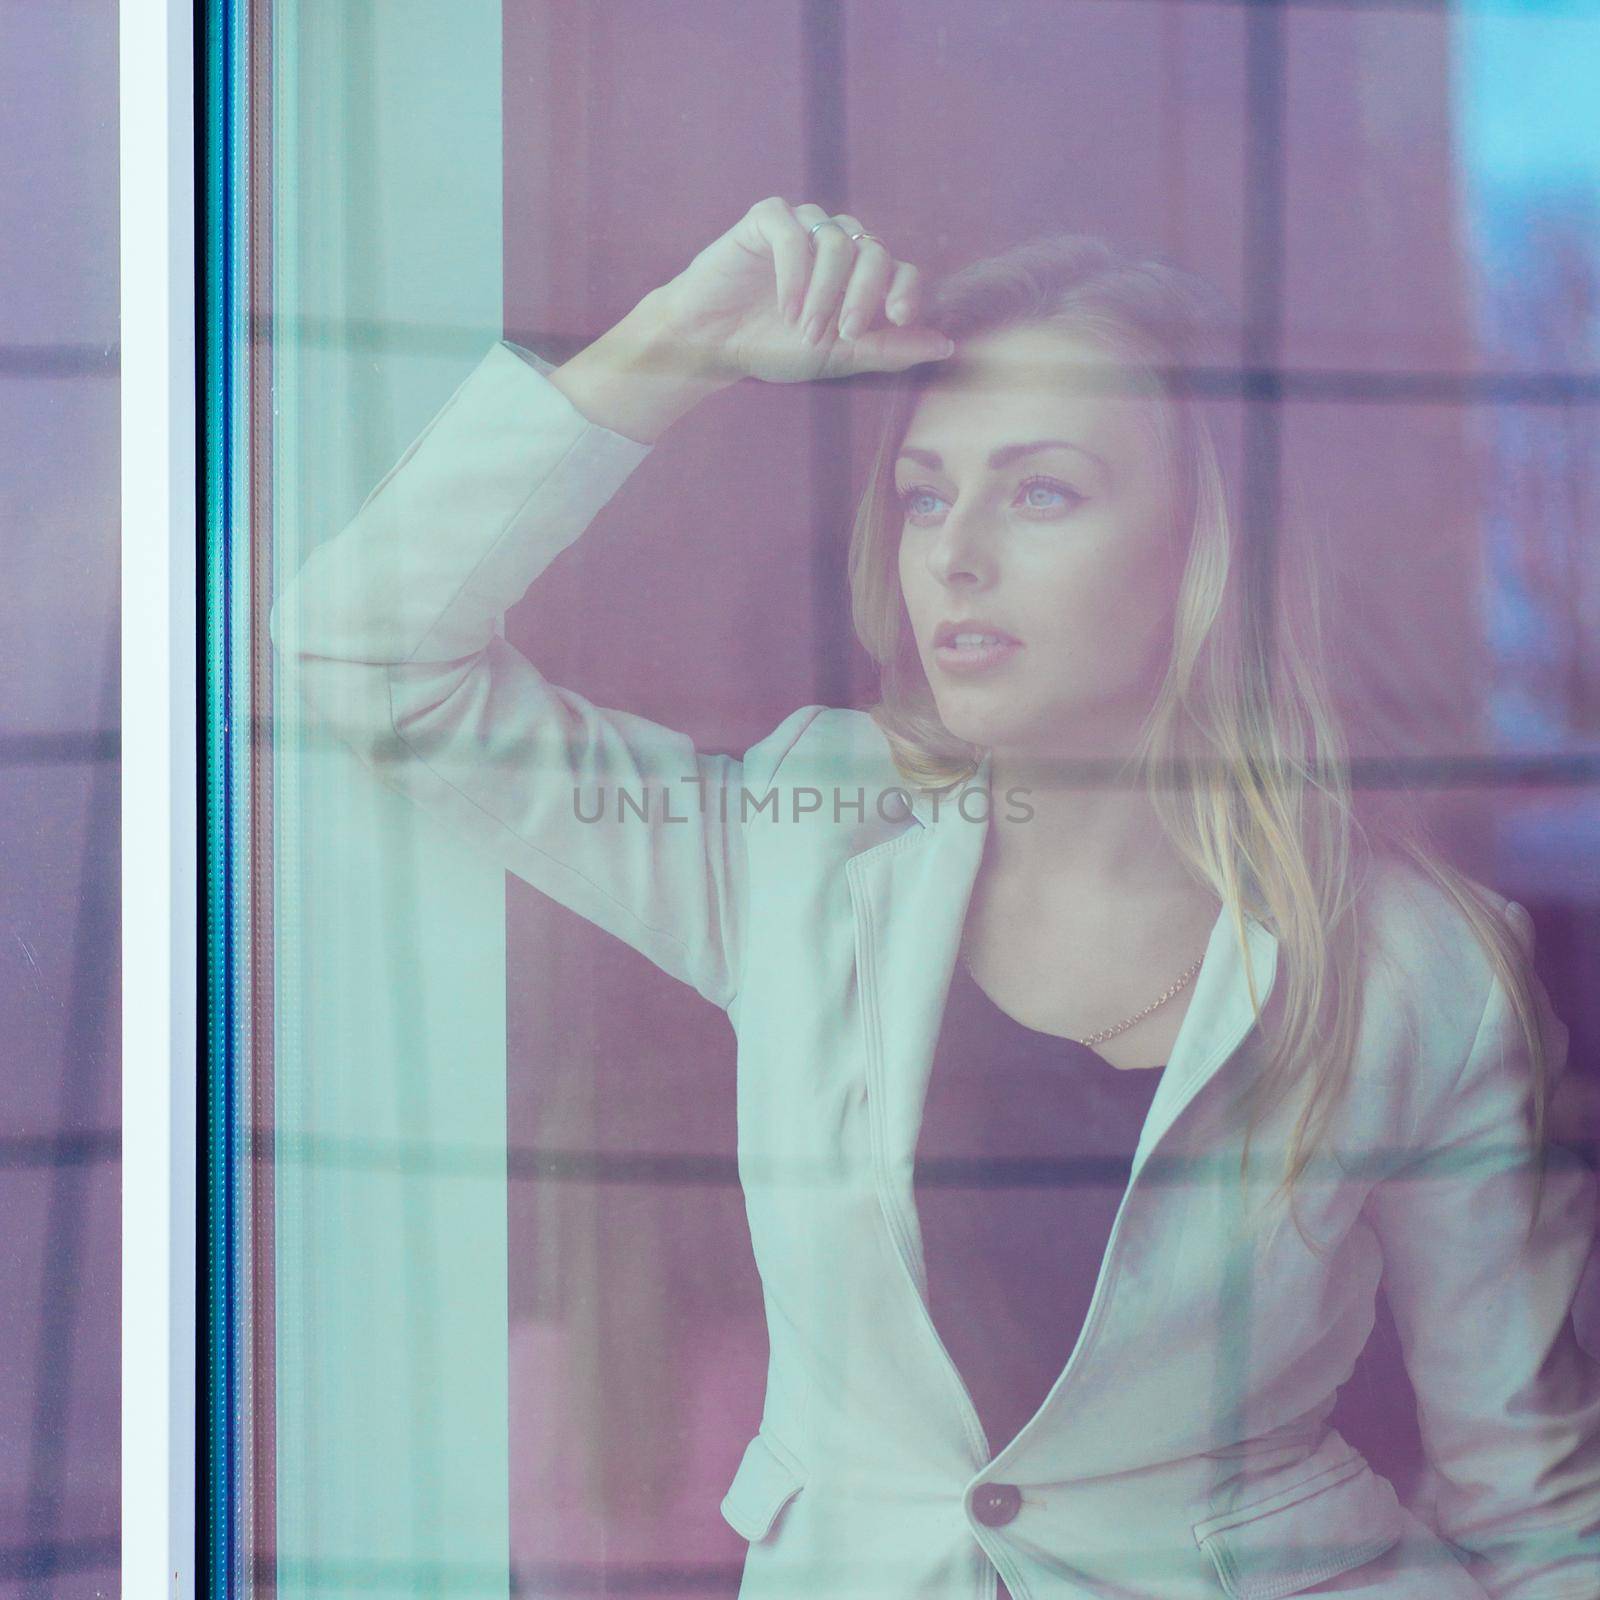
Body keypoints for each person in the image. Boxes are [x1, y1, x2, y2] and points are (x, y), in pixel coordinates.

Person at [273, 197, 1600, 1599]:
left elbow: (1533, 1503)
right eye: (923, 494)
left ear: (1212, 543)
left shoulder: (1419, 971)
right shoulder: (806, 839)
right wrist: (678, 342)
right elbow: (366, 653)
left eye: (1041, 491)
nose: (953, 553)